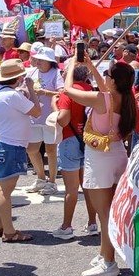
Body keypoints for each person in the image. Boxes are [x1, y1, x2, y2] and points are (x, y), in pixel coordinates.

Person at [62, 57, 137, 276]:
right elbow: (106, 91)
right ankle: (106, 254)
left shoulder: (102, 98)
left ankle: (108, 261)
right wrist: (92, 68)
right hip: (118, 155)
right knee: (110, 211)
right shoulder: (126, 98)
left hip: (99, 158)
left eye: (108, 75)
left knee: (105, 214)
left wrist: (71, 69)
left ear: (112, 80)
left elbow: (67, 89)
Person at [0, 59, 40, 242]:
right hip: (10, 145)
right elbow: (36, 111)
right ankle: (9, 231)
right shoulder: (12, 95)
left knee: (1, 186)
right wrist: (31, 90)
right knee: (5, 190)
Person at [52, 64, 98, 240]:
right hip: (87, 138)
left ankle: (67, 226)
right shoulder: (90, 89)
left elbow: (63, 120)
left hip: (70, 138)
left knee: (71, 188)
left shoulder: (68, 92)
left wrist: (55, 107)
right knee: (87, 185)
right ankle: (92, 223)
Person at [25, 46, 63, 195]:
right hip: (34, 117)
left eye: (42, 60)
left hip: (50, 118)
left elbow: (61, 92)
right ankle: (41, 178)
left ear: (50, 62)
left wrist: (45, 92)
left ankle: (52, 182)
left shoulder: (56, 73)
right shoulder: (32, 72)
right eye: (38, 59)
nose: (39, 62)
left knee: (51, 150)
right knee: (31, 149)